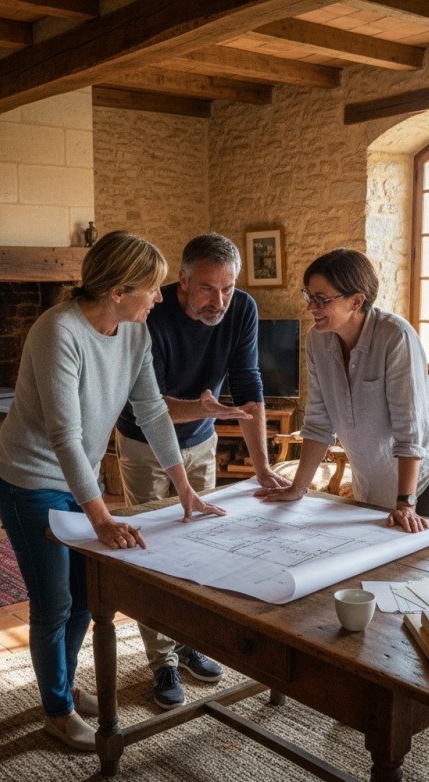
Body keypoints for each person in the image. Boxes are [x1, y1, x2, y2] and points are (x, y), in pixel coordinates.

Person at [0, 231, 225, 752]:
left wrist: (184, 489)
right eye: (153, 289)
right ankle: (56, 711)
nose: (161, 298)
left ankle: (63, 688)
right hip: (30, 482)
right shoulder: (58, 331)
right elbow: (64, 438)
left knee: (84, 600)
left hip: (77, 481)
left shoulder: (135, 334)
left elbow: (153, 412)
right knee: (53, 603)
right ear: (118, 290)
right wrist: (102, 518)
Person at [116, 231, 289, 709]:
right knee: (154, 553)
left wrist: (261, 468)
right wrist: (206, 409)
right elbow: (150, 406)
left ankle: (190, 641)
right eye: (209, 289)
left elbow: (248, 383)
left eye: (228, 288)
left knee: (199, 544)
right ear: (183, 282)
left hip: (201, 440)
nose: (220, 301)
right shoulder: (150, 315)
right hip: (145, 442)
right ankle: (162, 661)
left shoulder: (243, 309)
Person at [257, 247, 429, 530]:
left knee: (416, 559)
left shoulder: (395, 337)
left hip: (422, 474)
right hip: (371, 476)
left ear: (356, 301)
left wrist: (406, 503)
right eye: (308, 296)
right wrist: (298, 488)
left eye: (321, 299)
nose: (310, 307)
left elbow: (410, 428)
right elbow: (317, 422)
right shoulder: (316, 341)